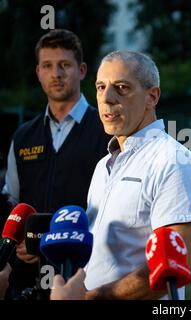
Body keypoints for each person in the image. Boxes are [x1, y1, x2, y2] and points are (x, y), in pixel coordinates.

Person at [83, 51, 191, 300]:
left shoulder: (174, 161)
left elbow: (169, 271)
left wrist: (94, 298)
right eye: (100, 87)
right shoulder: (102, 166)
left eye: (121, 87)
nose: (106, 98)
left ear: (152, 96)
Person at [1, 29, 110, 299]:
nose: (56, 74)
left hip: (85, 276)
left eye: (65, 65)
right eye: (48, 66)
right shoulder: (23, 136)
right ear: (38, 72)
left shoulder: (106, 131)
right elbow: (12, 204)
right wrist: (21, 242)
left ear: (82, 70)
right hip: (26, 278)